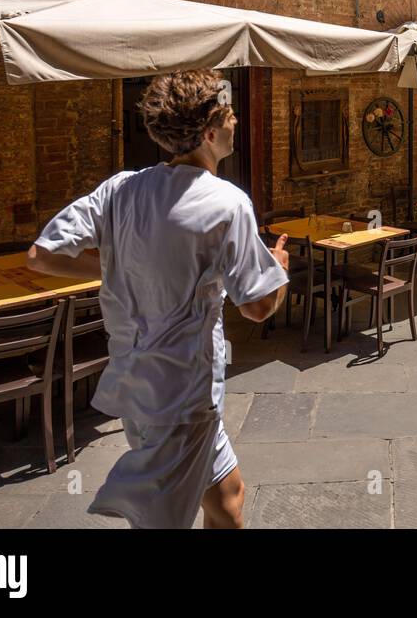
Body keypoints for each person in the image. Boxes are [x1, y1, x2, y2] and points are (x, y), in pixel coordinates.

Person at [27, 70, 291, 529]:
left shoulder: (120, 189)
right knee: (163, 522)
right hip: (183, 395)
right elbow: (259, 306)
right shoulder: (227, 202)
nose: (236, 121)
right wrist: (280, 269)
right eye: (229, 113)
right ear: (210, 131)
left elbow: (42, 255)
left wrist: (113, 267)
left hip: (136, 384)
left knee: (229, 500)